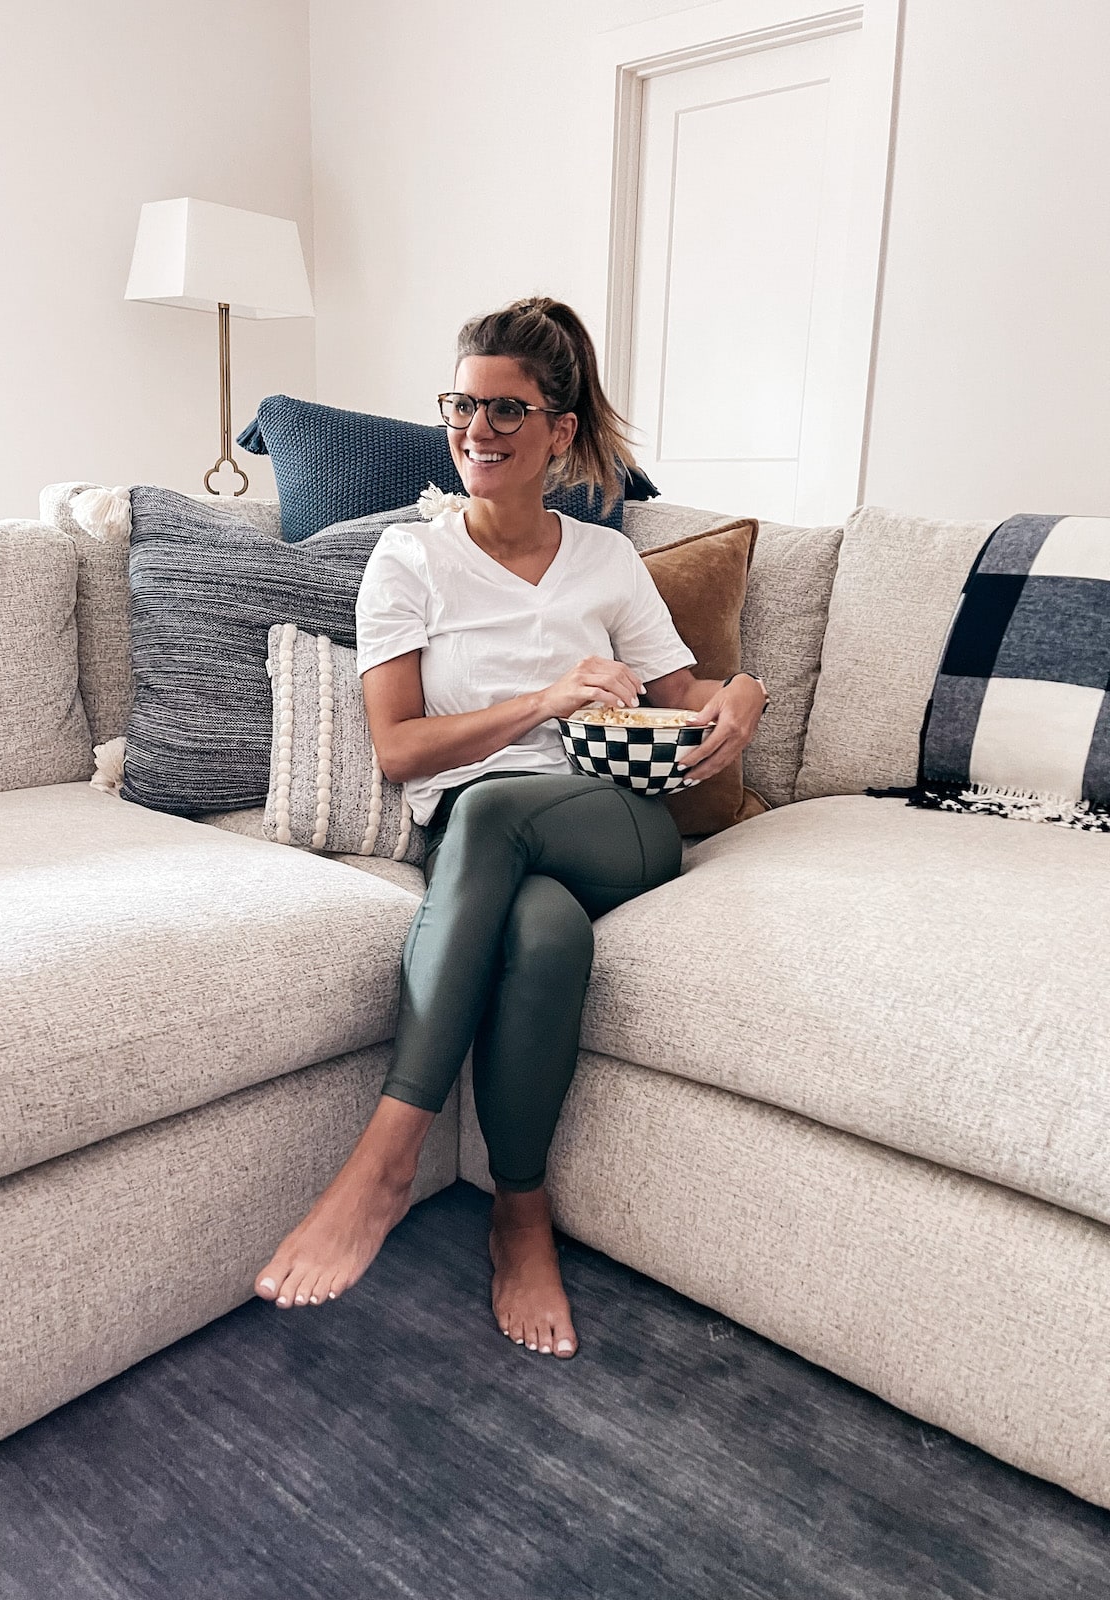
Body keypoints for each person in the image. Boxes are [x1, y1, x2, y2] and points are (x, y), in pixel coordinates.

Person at [254, 296, 769, 1357]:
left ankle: (385, 1160)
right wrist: (541, 700)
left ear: (558, 432)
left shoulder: (606, 561)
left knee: (499, 810)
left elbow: (682, 689)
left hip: (618, 824)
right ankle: (520, 1216)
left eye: (505, 411)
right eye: (462, 405)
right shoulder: (408, 563)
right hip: (477, 839)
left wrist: (746, 690)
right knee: (546, 935)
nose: (475, 432)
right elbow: (397, 749)